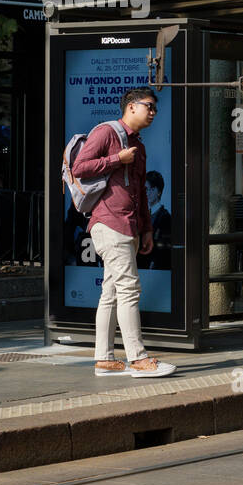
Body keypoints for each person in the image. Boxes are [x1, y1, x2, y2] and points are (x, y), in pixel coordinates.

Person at [72, 87, 175, 379]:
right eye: (149, 106)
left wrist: (146, 229)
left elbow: (140, 193)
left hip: (128, 225)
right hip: (109, 222)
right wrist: (118, 159)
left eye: (155, 108)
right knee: (129, 288)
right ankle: (138, 359)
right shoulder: (107, 133)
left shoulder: (138, 147)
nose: (153, 112)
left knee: (112, 292)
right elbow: (80, 168)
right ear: (131, 107)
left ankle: (104, 359)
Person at [142, 170, 172, 271]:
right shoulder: (141, 214)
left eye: (152, 189)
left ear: (159, 191)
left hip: (155, 270)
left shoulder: (165, 217)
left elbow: (164, 251)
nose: (148, 193)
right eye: (146, 189)